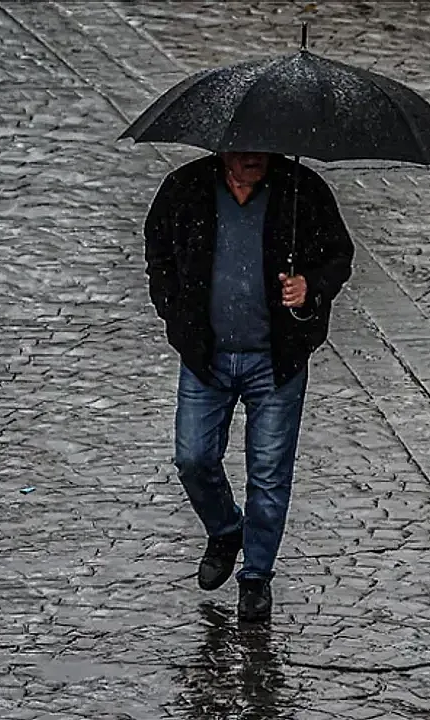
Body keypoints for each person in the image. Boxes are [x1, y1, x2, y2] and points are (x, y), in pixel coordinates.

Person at [143, 151, 353, 621]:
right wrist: (175, 315)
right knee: (193, 457)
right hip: (206, 358)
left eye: (260, 148)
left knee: (269, 474)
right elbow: (159, 255)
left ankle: (256, 577)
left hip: (275, 361)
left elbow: (339, 256)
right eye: (242, 149)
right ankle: (224, 529)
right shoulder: (185, 189)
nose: (252, 158)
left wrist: (310, 286)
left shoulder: (303, 191)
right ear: (223, 149)